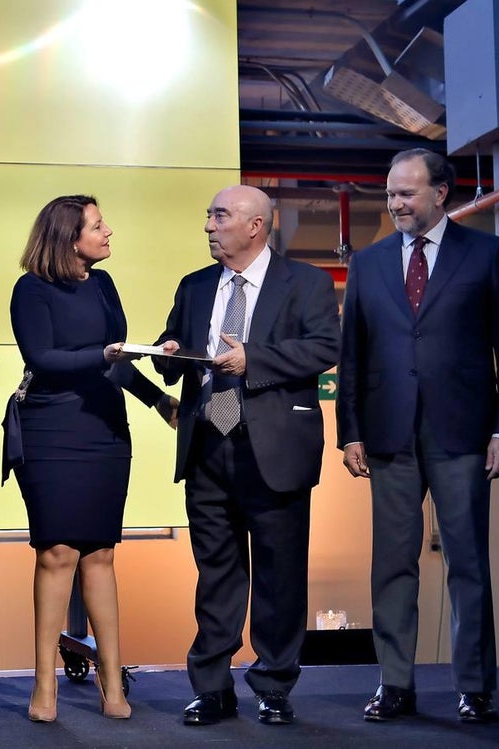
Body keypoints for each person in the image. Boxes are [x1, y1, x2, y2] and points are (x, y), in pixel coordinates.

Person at [336, 148, 499, 723]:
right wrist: (350, 431)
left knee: (467, 563)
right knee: (392, 565)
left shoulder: (488, 253)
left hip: (465, 432)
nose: (395, 204)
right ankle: (395, 684)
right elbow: (352, 356)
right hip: (387, 434)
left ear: (440, 193)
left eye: (406, 194)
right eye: (390, 194)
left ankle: (475, 687)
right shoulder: (368, 263)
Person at [153, 185, 341, 726]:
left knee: (280, 574)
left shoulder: (305, 282)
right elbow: (174, 345)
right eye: (209, 216)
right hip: (208, 444)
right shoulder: (194, 285)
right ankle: (212, 688)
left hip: (276, 448)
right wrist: (169, 352)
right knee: (216, 573)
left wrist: (252, 360)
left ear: (255, 225)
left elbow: (324, 347)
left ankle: (274, 685)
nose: (208, 226)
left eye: (219, 216)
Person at [7, 194, 178, 724]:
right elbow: (42, 358)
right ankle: (44, 682)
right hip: (51, 428)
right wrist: (101, 355)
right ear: (69, 236)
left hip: (104, 430)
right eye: (98, 226)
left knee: (101, 553)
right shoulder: (31, 289)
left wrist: (158, 400)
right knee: (57, 552)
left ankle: (112, 678)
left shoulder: (103, 284)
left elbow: (118, 362)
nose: (108, 233)